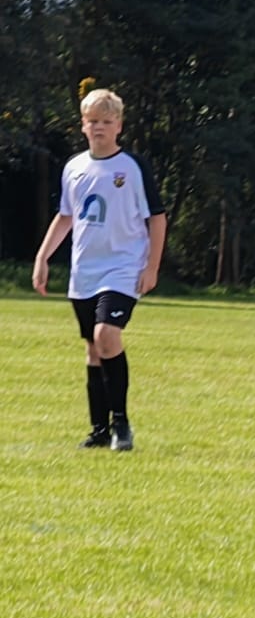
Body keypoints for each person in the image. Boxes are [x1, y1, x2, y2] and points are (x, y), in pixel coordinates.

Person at [31, 87, 167, 454]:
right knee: (93, 348)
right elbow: (66, 216)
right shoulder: (74, 167)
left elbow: (156, 217)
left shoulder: (133, 167)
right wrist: (43, 257)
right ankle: (98, 430)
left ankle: (121, 424)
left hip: (123, 268)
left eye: (107, 121)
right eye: (93, 121)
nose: (99, 128)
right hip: (84, 272)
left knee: (107, 335)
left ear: (119, 125)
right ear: (83, 125)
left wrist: (151, 266)